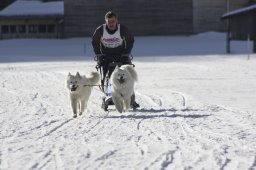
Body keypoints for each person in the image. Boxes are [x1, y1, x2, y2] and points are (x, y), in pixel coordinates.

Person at [91, 11, 139, 110]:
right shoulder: (101, 30)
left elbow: (130, 40)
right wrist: (99, 55)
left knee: (128, 74)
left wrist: (126, 52)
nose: (111, 24)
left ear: (116, 20)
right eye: (109, 22)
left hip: (121, 56)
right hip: (106, 56)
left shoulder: (122, 29)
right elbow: (94, 42)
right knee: (107, 76)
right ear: (106, 21)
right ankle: (109, 93)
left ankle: (131, 97)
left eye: (113, 21)